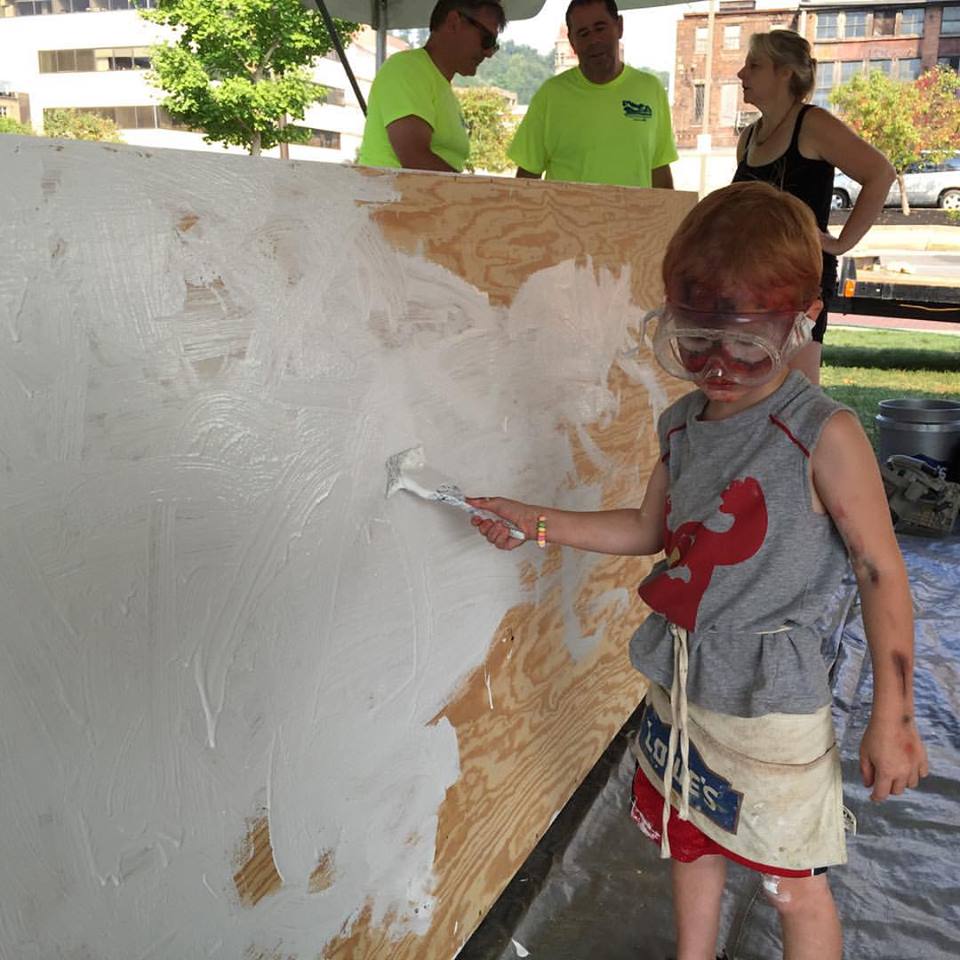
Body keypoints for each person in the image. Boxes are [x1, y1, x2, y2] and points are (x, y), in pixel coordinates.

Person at [466, 182, 928, 960]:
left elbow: (882, 573)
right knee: (690, 834)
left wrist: (896, 716)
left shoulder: (824, 433)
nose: (717, 366)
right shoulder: (681, 424)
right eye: (692, 341)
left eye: (745, 344)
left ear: (800, 319)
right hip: (681, 682)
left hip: (770, 701)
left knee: (791, 877)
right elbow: (650, 529)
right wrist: (535, 520)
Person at [733, 30, 895, 384]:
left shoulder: (813, 124)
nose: (741, 74)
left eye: (754, 65)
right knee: (749, 392)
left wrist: (839, 244)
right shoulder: (748, 137)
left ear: (785, 73)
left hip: (799, 284)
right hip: (749, 282)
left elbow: (880, 174)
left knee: (795, 397)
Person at [509, 0, 677, 188]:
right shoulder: (550, 95)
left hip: (634, 217)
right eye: (583, 33)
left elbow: (660, 171)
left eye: (600, 28)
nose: (594, 40)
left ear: (619, 27)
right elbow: (525, 180)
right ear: (572, 42)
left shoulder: (651, 90)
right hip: (565, 218)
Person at [357, 0, 506, 172]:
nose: (488, 53)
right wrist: (474, 194)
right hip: (391, 197)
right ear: (454, 22)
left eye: (493, 46)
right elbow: (415, 158)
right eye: (487, 40)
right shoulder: (406, 68)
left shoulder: (443, 88)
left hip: (424, 197)